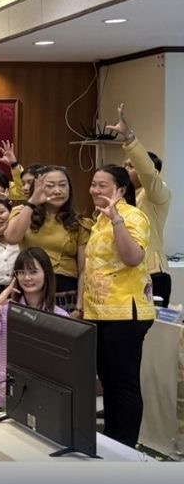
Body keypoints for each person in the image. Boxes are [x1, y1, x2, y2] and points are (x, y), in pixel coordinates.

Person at [84, 164, 155, 448]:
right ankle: (112, 439)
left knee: (124, 382)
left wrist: (117, 220)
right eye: (93, 184)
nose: (94, 190)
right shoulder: (97, 220)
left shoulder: (132, 216)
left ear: (121, 190)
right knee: (108, 380)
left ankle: (126, 444)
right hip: (99, 312)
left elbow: (133, 258)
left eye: (102, 185)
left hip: (126, 312)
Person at [0, 248, 67, 410]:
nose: (27, 278)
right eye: (21, 272)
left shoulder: (60, 316)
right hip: (3, 394)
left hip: (42, 398)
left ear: (46, 274)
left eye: (33, 272)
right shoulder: (4, 310)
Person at [108, 103, 172, 305]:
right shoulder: (121, 196)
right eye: (125, 165)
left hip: (152, 273)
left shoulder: (156, 194)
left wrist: (129, 138)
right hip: (123, 273)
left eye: (131, 165)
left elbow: (147, 173)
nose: (125, 169)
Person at [4, 166, 90, 303]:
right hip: (29, 288)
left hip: (65, 294)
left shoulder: (80, 223)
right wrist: (32, 202)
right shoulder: (23, 212)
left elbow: (84, 270)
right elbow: (12, 238)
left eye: (63, 185)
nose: (57, 191)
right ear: (37, 187)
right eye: (50, 186)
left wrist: (80, 306)